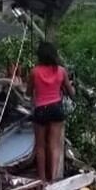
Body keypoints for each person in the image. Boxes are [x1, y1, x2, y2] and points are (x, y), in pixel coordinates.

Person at [26, 41, 74, 182]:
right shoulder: (61, 71)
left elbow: (28, 93)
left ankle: (41, 179)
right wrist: (70, 86)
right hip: (56, 109)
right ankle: (52, 178)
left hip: (40, 110)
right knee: (54, 145)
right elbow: (71, 93)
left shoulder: (34, 72)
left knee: (40, 146)